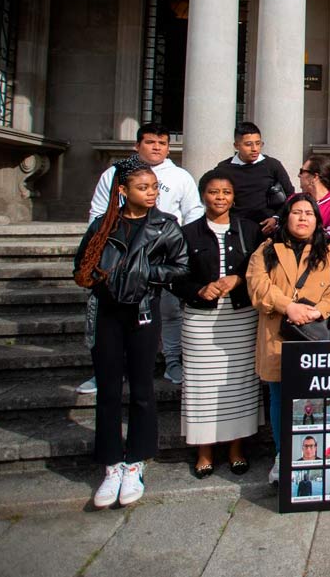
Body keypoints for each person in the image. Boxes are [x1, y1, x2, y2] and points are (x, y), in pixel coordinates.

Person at [74, 155, 189, 509]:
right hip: (107, 312)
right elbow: (81, 266)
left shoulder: (166, 225)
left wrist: (145, 274)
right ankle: (111, 464)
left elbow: (180, 267)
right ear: (123, 191)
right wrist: (102, 279)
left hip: (141, 312)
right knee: (108, 390)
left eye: (154, 187)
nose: (151, 192)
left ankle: (136, 461)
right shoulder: (103, 226)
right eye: (143, 187)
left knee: (142, 388)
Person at [81, 123, 201, 392]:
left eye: (162, 143)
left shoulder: (180, 177)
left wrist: (180, 249)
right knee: (109, 317)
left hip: (160, 259)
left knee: (169, 313)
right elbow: (98, 214)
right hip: (118, 262)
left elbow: (192, 213)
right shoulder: (115, 174)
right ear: (137, 145)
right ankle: (107, 370)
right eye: (150, 142)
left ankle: (173, 362)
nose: (157, 147)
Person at [247, 193, 330, 487]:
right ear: (286, 216)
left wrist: (320, 309)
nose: (303, 217)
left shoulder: (329, 250)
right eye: (296, 212)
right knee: (280, 398)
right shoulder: (267, 249)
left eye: (309, 213)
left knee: (319, 397)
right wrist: (287, 306)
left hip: (316, 334)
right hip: (278, 336)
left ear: (317, 220)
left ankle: (317, 455)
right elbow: (257, 285)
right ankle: (284, 455)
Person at [172, 170, 262, 479]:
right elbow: (174, 277)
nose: (220, 197)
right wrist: (198, 289)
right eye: (213, 192)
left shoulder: (249, 230)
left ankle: (237, 447)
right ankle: (204, 450)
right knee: (202, 386)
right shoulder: (187, 233)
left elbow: (261, 269)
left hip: (240, 316)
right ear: (202, 196)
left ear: (233, 196)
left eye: (225, 192)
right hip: (200, 318)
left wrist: (239, 279)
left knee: (238, 383)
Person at [214, 121, 294, 236]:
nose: (254, 149)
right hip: (236, 230)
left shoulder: (272, 165)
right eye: (248, 144)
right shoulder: (223, 169)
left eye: (258, 143)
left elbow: (291, 196)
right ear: (236, 146)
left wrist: (276, 218)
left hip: (267, 229)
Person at [297, 152, 330, 254]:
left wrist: (298, 235)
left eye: (302, 171)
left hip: (327, 263)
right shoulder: (296, 199)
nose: (299, 175)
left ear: (315, 177)